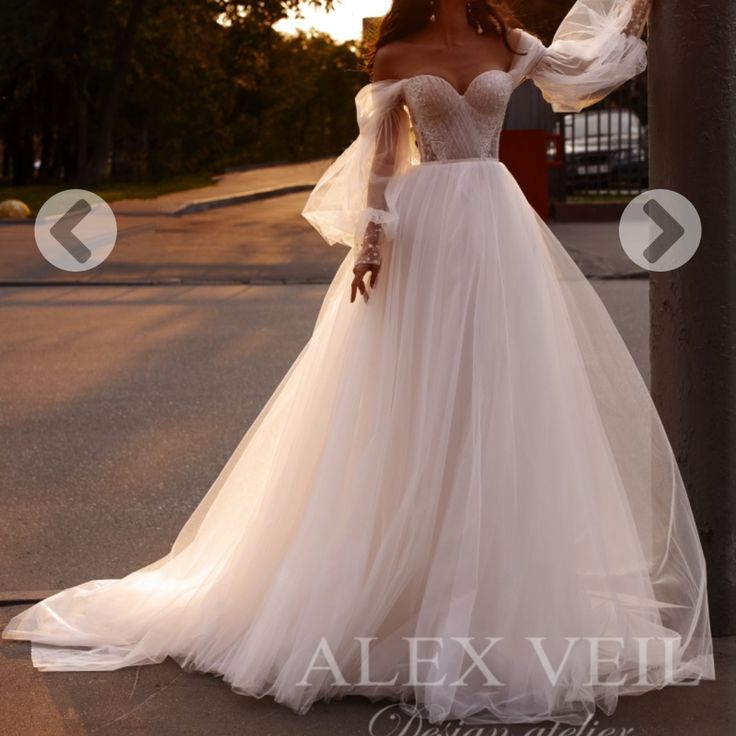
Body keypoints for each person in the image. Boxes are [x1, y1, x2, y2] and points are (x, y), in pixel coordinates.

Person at [2, 0, 715, 727]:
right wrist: (372, 244)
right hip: (424, 241)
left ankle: (492, 595)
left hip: (499, 239)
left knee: (498, 403)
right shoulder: (395, 56)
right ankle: (394, 592)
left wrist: (630, 14)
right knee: (409, 405)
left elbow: (580, 70)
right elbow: (381, 160)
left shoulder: (507, 41)